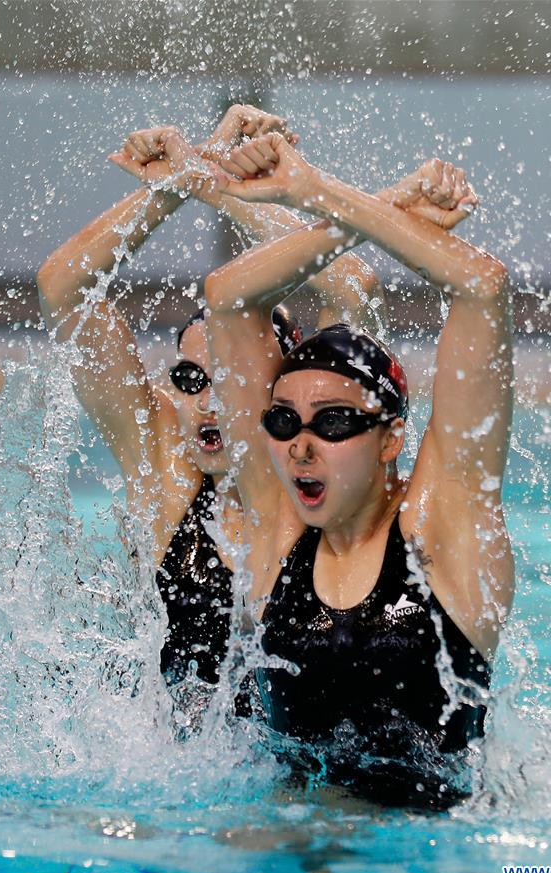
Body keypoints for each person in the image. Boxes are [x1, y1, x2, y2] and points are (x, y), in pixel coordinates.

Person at [192, 133, 515, 806]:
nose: (301, 446)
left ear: (390, 438)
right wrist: (381, 204)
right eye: (284, 422)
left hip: (426, 845)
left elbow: (481, 287)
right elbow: (226, 298)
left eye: (334, 423)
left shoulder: (440, 531)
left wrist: (312, 189)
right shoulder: (279, 534)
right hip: (289, 841)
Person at [36, 106, 385, 701]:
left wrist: (218, 188)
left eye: (229, 381)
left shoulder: (324, 486)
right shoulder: (166, 473)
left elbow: (353, 285)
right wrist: (173, 186)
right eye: (191, 379)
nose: (207, 402)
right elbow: (63, 289)